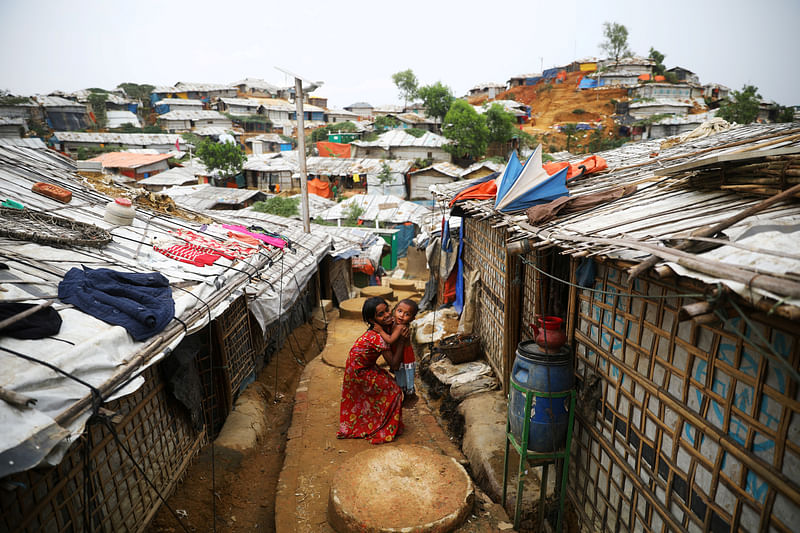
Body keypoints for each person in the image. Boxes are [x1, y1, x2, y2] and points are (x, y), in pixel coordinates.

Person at [337, 297, 405, 444]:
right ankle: (382, 426)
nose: (387, 315)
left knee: (387, 384)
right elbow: (394, 365)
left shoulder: (383, 330)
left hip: (363, 366)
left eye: (387, 310)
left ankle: (375, 420)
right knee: (394, 391)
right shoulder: (378, 337)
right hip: (359, 371)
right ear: (372, 320)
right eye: (380, 314)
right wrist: (402, 342)